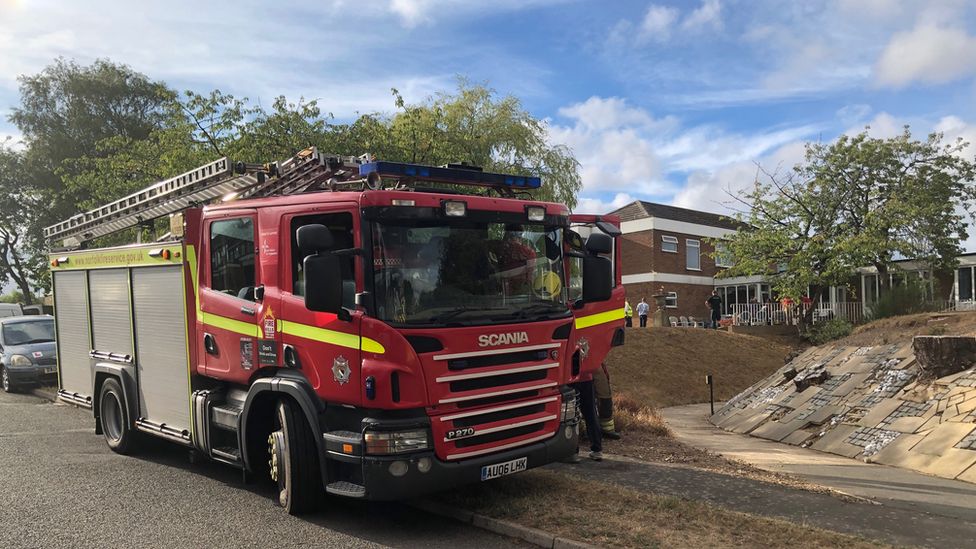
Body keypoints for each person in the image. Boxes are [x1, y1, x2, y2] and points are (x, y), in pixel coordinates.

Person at [592, 363, 620, 440]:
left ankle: (607, 429)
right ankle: (586, 430)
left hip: (593, 359)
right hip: (578, 359)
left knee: (604, 390)